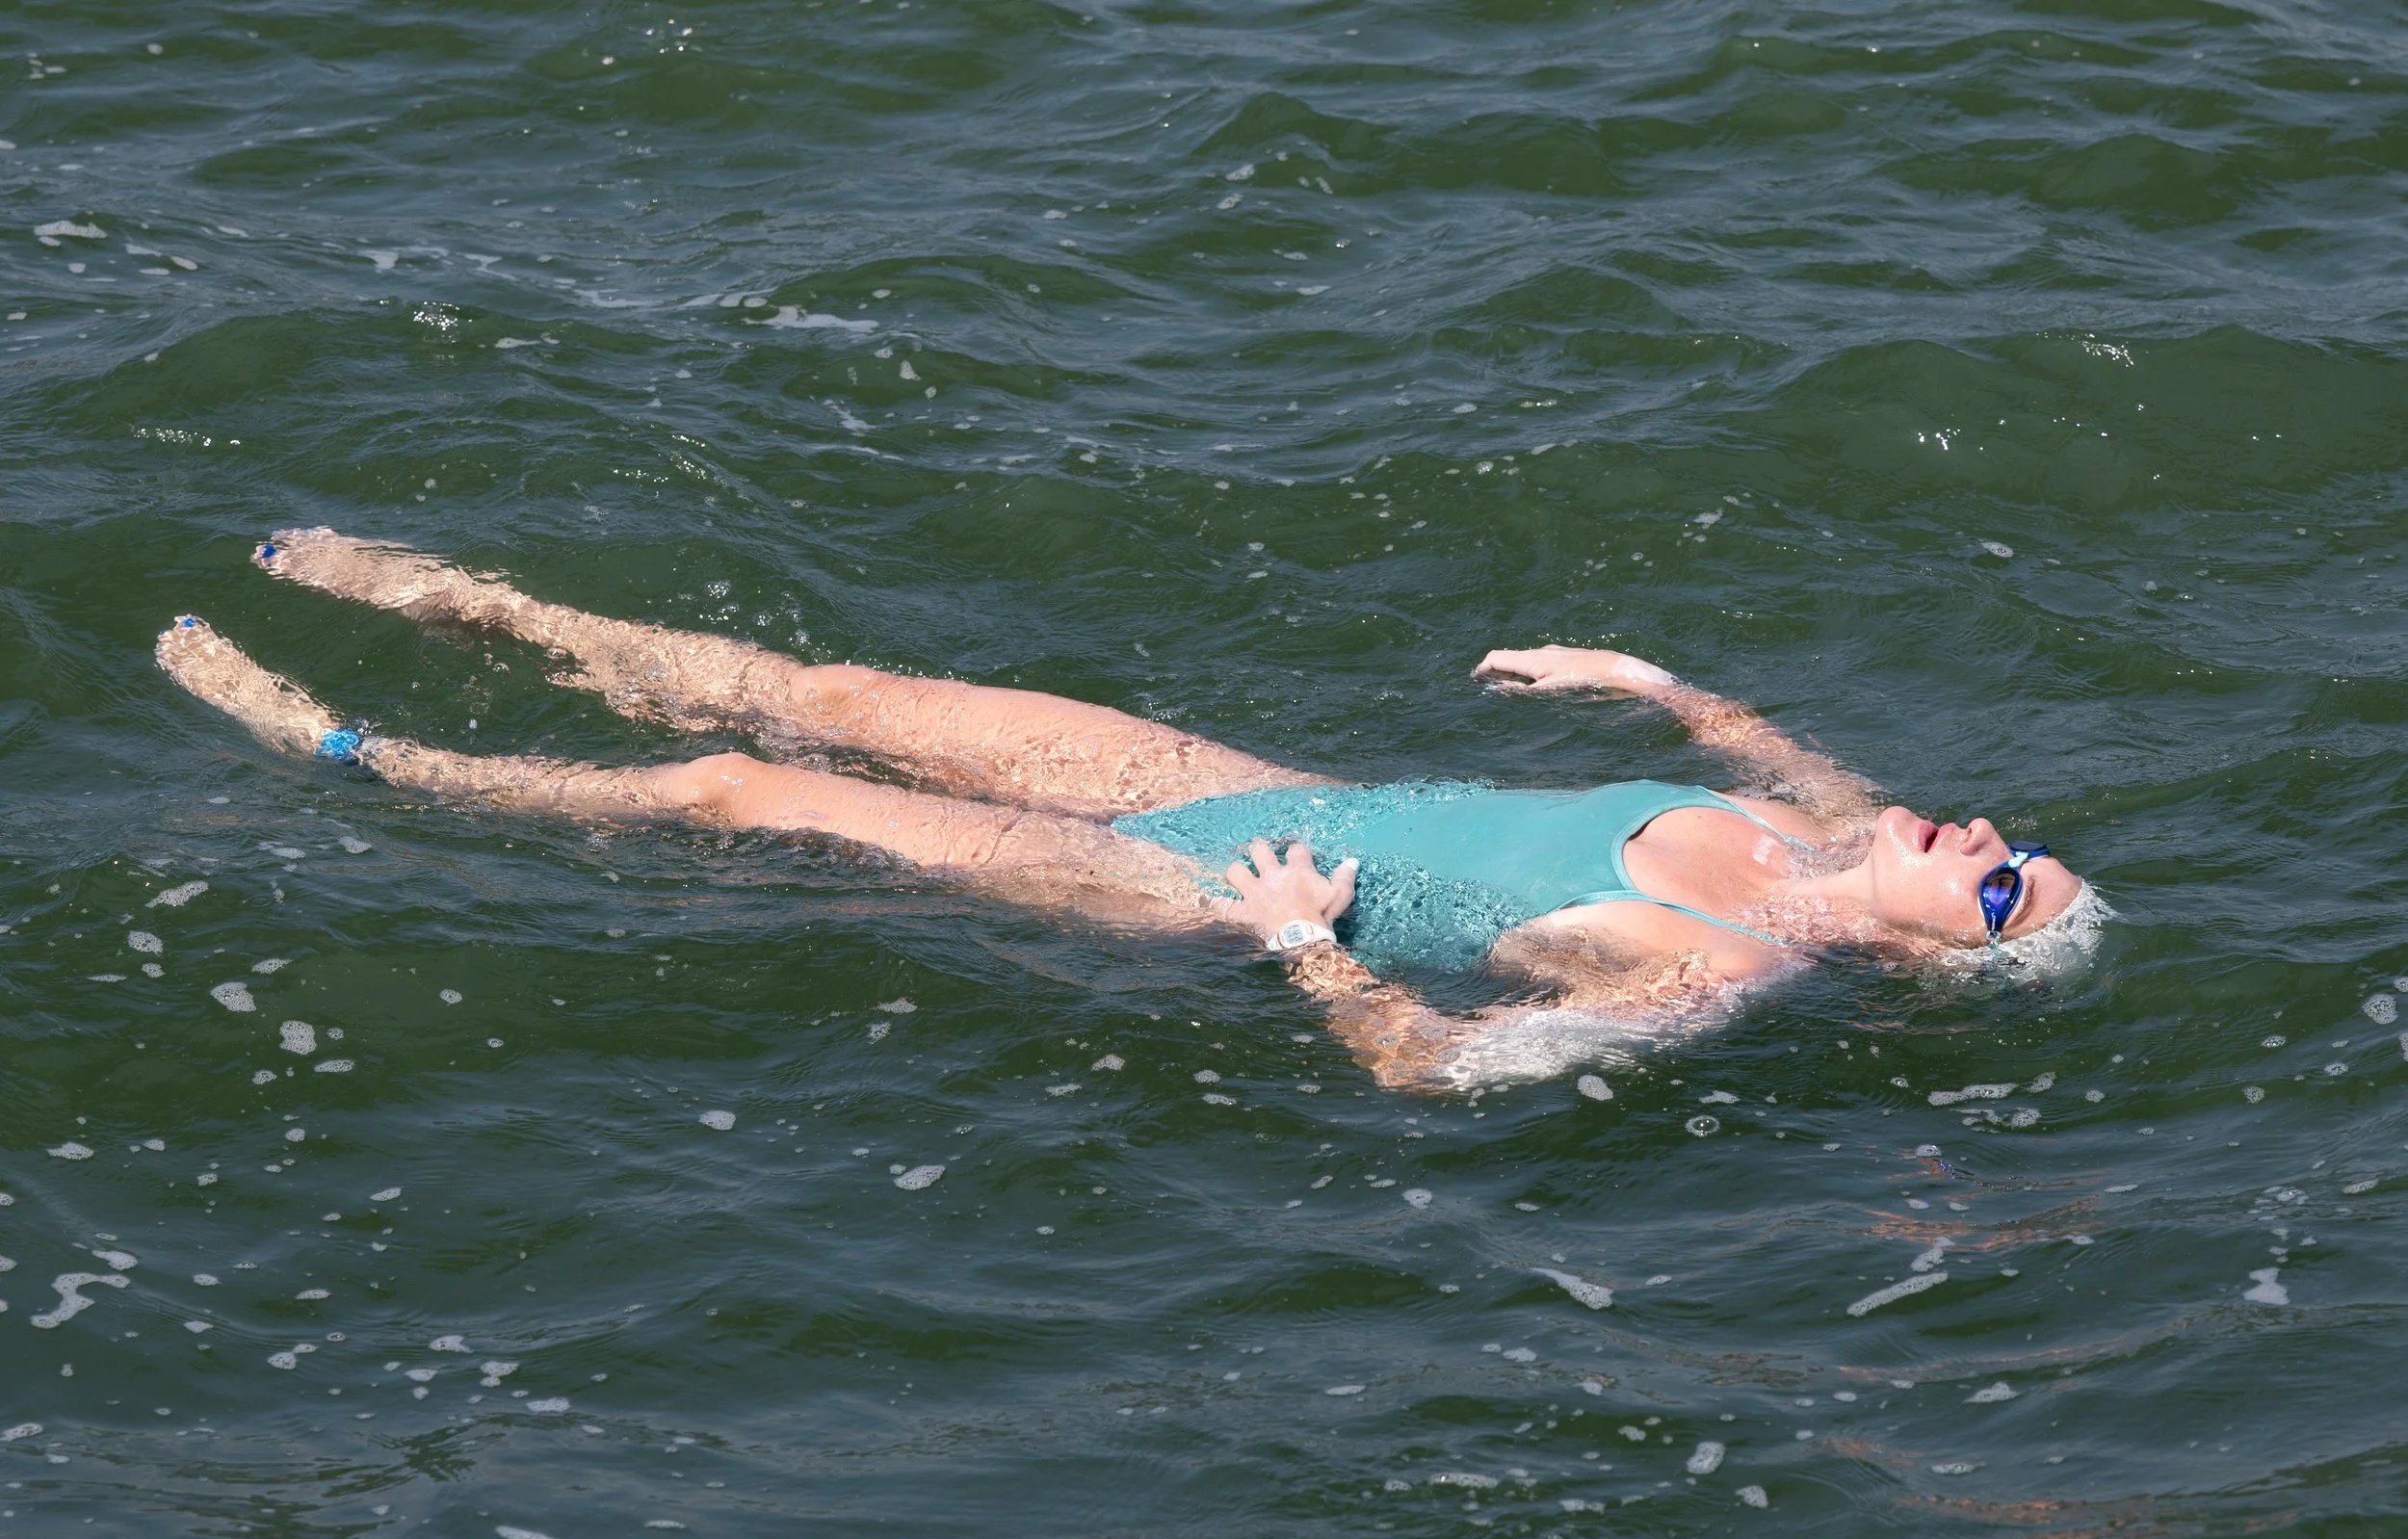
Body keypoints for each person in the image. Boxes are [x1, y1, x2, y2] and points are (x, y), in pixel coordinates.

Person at [157, 527, 2089, 1090]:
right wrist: (1637, 681)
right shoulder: (1838, 828)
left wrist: (1300, 946)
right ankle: (494, 610)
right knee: (849, 700)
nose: (1984, 844)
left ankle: (358, 753)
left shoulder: (1706, 972)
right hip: (1272, 792)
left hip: (1195, 887)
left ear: (1944, 967)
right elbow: (1748, 734)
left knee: (749, 785)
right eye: (2014, 845)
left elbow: (1431, 1069)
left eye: (2002, 893)